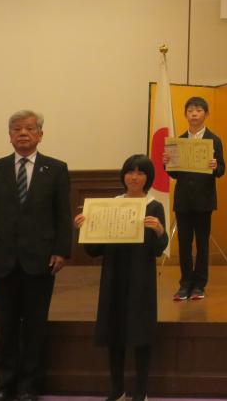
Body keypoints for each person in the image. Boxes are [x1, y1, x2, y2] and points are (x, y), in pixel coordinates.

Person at [0, 109, 72, 401]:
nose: (23, 134)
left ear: (40, 134)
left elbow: (62, 214)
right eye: (17, 129)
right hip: (1, 260)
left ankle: (30, 385)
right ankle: (5, 384)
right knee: (5, 326)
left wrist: (61, 251)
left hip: (40, 261)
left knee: (35, 326)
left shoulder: (56, 169)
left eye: (29, 128)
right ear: (9, 136)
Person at [74, 154, 168, 401]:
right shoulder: (110, 205)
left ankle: (141, 391)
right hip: (113, 276)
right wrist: (85, 228)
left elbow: (159, 249)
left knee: (141, 333)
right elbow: (94, 250)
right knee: (114, 332)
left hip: (141, 278)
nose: (134, 177)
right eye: (130, 172)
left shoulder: (154, 206)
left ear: (148, 177)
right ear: (123, 176)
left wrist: (159, 230)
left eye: (140, 173)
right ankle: (117, 390)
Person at [164, 95, 226, 301]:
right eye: (190, 110)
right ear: (185, 114)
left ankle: (199, 285)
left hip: (204, 200)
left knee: (202, 244)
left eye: (198, 110)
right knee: (183, 244)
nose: (194, 114)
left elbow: (222, 169)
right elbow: (174, 174)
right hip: (183, 200)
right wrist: (167, 163)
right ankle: (185, 284)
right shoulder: (179, 140)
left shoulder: (214, 140)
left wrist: (215, 166)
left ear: (206, 114)